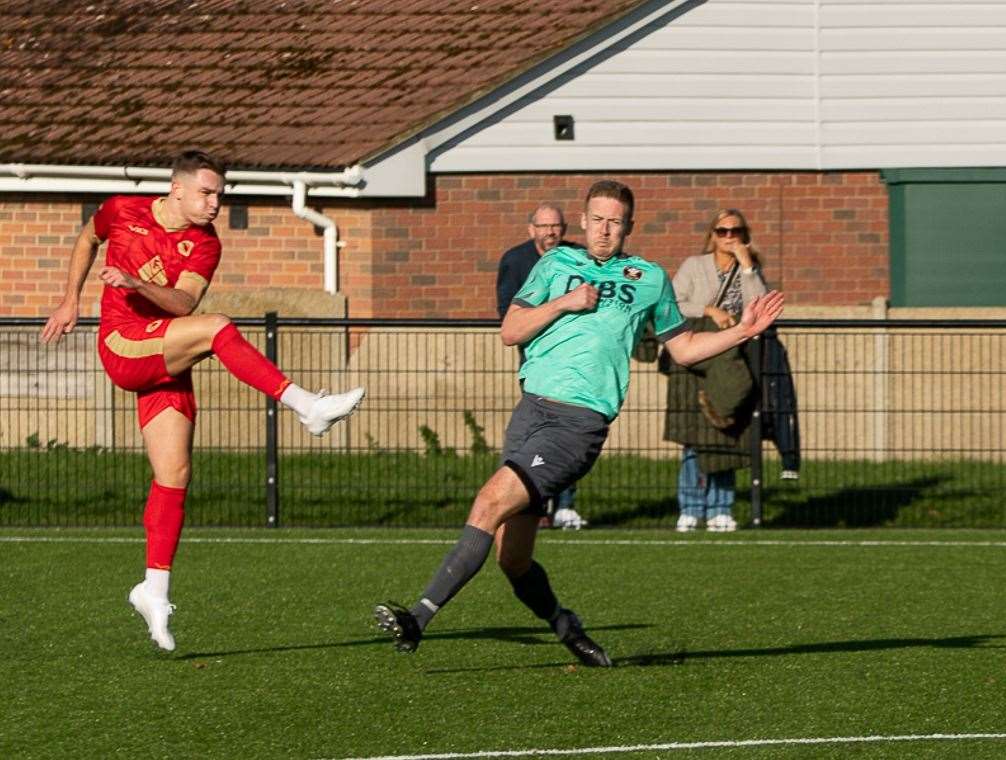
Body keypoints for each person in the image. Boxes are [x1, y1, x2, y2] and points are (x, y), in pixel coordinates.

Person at [374, 180, 784, 665]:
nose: (605, 229)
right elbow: (511, 330)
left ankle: (416, 619)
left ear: (628, 226)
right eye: (598, 219)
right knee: (513, 559)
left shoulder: (648, 278)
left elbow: (684, 348)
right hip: (529, 412)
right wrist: (563, 303)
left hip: (577, 424)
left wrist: (742, 330)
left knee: (488, 501)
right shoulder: (554, 266)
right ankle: (568, 629)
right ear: (584, 221)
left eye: (616, 221)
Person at [39, 149, 365, 652]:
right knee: (217, 329)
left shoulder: (205, 243)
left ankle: (153, 590)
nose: (215, 203)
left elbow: (184, 302)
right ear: (177, 189)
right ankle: (306, 405)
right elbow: (88, 237)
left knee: (174, 475)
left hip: (163, 347)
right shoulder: (123, 209)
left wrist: (135, 281)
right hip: (124, 344)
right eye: (207, 193)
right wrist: (70, 298)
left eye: (220, 195)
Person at [666, 208, 769, 532]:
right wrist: (708, 310)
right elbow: (672, 302)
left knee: (728, 433)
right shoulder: (694, 266)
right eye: (722, 231)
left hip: (733, 360)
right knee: (696, 438)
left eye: (735, 231)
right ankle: (691, 506)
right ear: (712, 235)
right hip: (696, 360)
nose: (728, 237)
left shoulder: (748, 269)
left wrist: (749, 266)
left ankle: (721, 508)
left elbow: (762, 307)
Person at [495, 203, 584, 530]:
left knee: (571, 436)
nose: (551, 232)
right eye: (544, 226)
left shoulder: (580, 257)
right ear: (531, 229)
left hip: (576, 364)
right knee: (537, 437)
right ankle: (535, 505)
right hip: (537, 365)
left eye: (556, 226)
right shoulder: (516, 261)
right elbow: (508, 315)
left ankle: (567, 504)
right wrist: (554, 313)